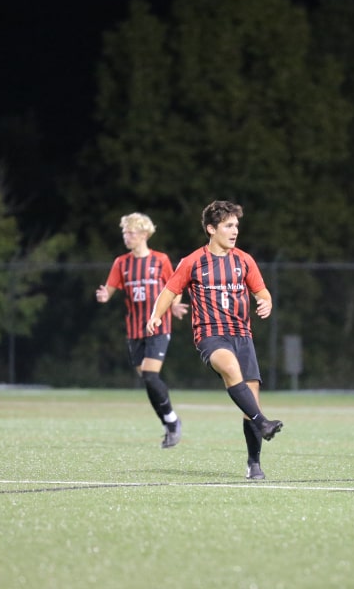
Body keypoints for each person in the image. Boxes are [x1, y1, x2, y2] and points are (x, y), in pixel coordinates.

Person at [146, 200, 283, 480]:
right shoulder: (193, 261)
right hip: (210, 335)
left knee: (251, 402)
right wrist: (155, 316)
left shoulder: (244, 260)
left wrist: (266, 303)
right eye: (228, 226)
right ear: (211, 229)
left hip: (243, 336)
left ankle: (253, 463)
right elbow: (169, 291)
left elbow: (262, 292)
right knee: (231, 369)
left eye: (236, 226)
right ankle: (264, 423)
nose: (235, 231)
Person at [96, 212, 189, 448]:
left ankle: (172, 421)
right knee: (147, 380)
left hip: (158, 325)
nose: (126, 236)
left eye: (131, 232)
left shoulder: (161, 260)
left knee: (149, 374)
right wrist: (105, 294)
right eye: (125, 232)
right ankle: (169, 423)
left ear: (144, 234)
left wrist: (176, 305)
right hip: (134, 329)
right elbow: (110, 288)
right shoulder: (121, 263)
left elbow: (175, 288)